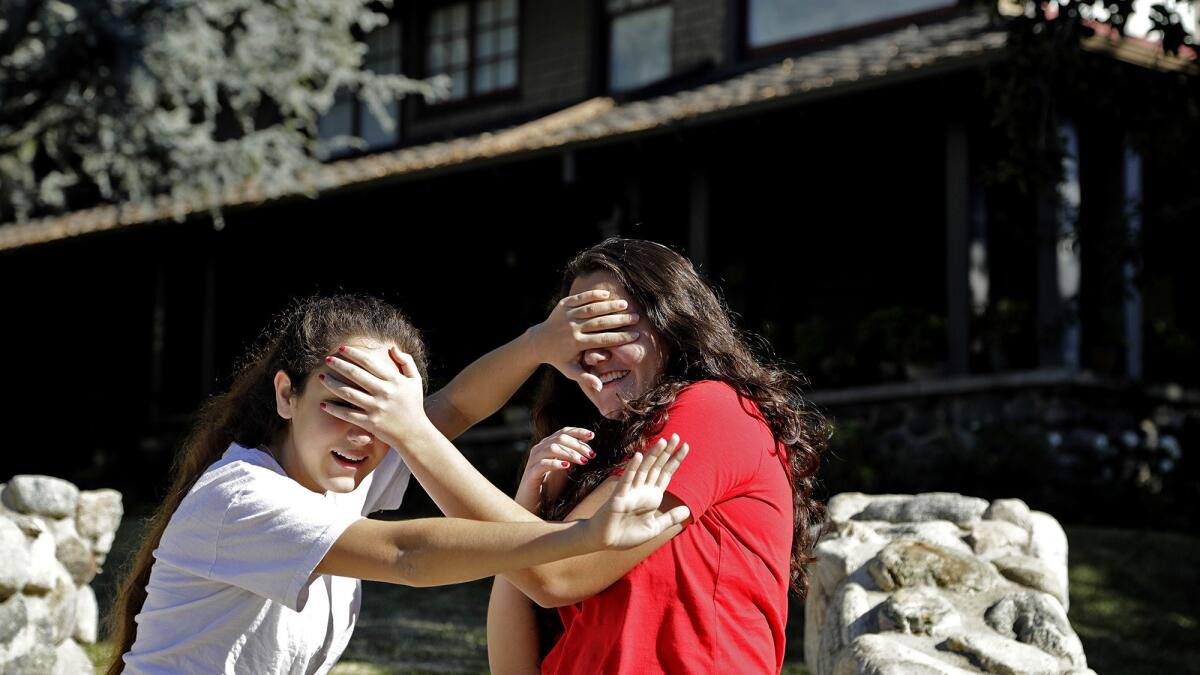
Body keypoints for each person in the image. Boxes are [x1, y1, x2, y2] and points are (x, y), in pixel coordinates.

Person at [108, 293, 690, 674]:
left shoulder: (339, 469)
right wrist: (583, 537)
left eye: (382, 413)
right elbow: (405, 553)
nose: (363, 433)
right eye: (341, 404)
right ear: (287, 394)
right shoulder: (243, 495)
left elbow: (457, 404)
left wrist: (539, 343)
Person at [322, 239, 831, 674]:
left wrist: (414, 432)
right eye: (574, 332)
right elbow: (513, 664)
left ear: (671, 320)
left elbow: (556, 575)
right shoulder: (597, 455)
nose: (589, 349)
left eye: (608, 324)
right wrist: (528, 512)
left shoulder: (715, 409)